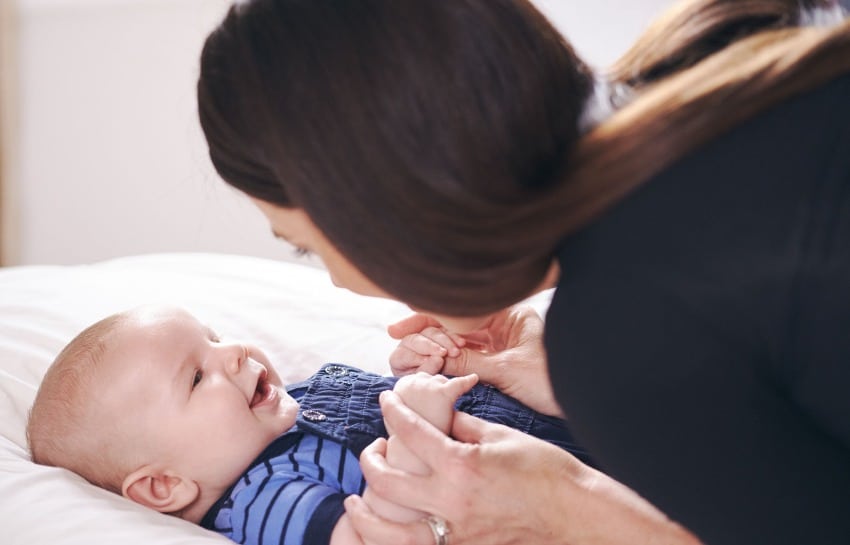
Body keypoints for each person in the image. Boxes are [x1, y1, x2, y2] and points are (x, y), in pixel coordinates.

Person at [195, 0, 850, 543]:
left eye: (306, 246)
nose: (340, 282)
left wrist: (564, 501)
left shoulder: (622, 324)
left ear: (376, 207)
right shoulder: (723, 37)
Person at [26, 305, 588, 545]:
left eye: (214, 337)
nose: (233, 352)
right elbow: (373, 538)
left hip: (573, 436)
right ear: (162, 486)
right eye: (196, 377)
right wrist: (416, 430)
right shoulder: (264, 499)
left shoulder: (286, 403)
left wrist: (415, 371)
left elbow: (384, 403)